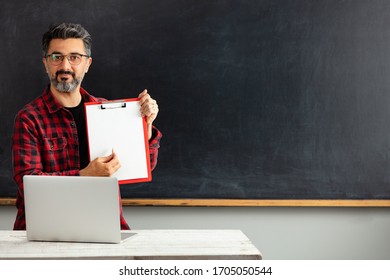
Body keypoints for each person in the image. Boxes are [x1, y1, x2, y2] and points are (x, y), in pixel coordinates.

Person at [12, 23, 162, 230]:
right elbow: (27, 184)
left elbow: (139, 167)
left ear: (87, 64)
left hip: (104, 224)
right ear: (46, 64)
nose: (65, 66)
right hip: (45, 230)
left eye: (74, 57)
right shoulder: (29, 119)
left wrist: (146, 126)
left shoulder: (108, 112)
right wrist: (85, 175)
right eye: (56, 57)